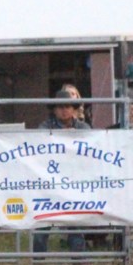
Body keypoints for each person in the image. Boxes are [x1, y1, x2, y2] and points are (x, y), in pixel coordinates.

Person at [34, 90, 91, 255]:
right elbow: (38, 144)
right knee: (42, 224)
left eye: (67, 107)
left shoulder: (83, 127)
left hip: (74, 182)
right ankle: (36, 263)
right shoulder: (45, 127)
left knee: (75, 224)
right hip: (48, 182)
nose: (64, 110)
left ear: (73, 109)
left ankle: (79, 263)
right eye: (60, 107)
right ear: (54, 110)